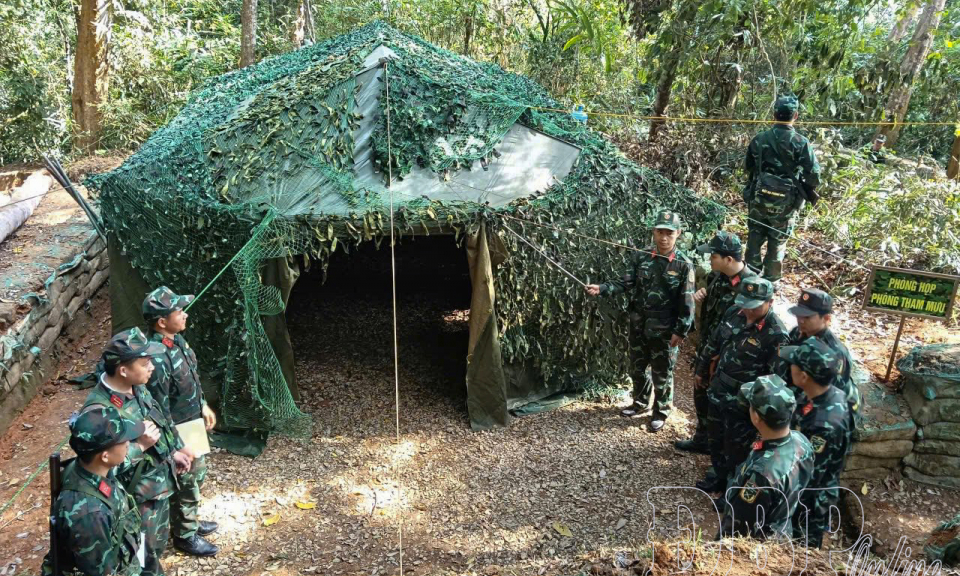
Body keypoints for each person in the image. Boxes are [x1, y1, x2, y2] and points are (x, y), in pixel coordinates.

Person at [83, 327, 194, 576]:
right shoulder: (99, 414)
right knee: (140, 557)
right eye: (145, 363)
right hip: (135, 500)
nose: (152, 366)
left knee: (154, 548)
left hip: (157, 488)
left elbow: (158, 421)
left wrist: (170, 453)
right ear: (123, 370)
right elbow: (97, 469)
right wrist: (140, 446)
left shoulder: (137, 387)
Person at [584, 209, 695, 432]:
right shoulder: (641, 256)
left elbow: (687, 303)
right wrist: (603, 288)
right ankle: (640, 402)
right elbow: (625, 282)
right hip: (639, 324)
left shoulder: (684, 265)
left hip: (665, 330)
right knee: (637, 368)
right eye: (659, 232)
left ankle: (661, 411)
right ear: (653, 232)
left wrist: (681, 331)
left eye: (669, 233)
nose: (664, 238)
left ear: (678, 234)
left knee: (662, 372)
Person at [143, 287, 219, 557]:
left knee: (197, 476)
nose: (185, 314)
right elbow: (157, 408)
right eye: (179, 311)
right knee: (185, 481)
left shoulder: (177, 341)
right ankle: (185, 536)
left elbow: (190, 379)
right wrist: (174, 445)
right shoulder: (156, 357)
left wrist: (203, 405)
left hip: (192, 421)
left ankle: (190, 522)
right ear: (162, 321)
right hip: (178, 430)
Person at [695, 277, 789, 492]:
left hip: (742, 403)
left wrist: (753, 408)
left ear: (770, 302)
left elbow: (775, 381)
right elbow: (714, 342)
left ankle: (733, 490)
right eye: (744, 303)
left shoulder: (776, 335)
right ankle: (718, 476)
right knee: (715, 439)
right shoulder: (734, 313)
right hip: (718, 389)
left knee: (737, 449)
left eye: (753, 306)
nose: (748, 310)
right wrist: (701, 371)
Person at [676, 231, 757, 455]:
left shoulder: (750, 287)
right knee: (700, 395)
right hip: (707, 349)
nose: (709, 259)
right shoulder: (716, 277)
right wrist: (703, 294)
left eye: (713, 256)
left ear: (728, 259)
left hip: (729, 359)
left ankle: (721, 454)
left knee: (724, 408)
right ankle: (703, 439)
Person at [41, 406, 144, 576]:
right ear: (104, 456)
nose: (128, 443)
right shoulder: (91, 514)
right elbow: (100, 571)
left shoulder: (88, 467)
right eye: (123, 440)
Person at [718, 375, 813, 541]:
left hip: (756, 548)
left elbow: (738, 530)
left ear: (756, 417)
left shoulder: (761, 476)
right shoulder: (801, 442)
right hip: (782, 531)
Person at [781, 338, 851, 548]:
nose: (788, 365)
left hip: (809, 502)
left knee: (802, 552)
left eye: (793, 363)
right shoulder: (819, 394)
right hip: (803, 492)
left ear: (804, 376)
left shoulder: (825, 425)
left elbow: (809, 473)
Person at [743, 95, 821, 282]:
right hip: (786, 203)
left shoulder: (759, 139)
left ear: (774, 114)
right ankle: (770, 283)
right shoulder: (801, 142)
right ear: (795, 115)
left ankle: (748, 278)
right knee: (777, 242)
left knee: (754, 238)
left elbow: (749, 168)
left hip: (759, 199)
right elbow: (814, 175)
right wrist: (804, 188)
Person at [782, 288, 861, 434]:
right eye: (798, 314)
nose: (800, 320)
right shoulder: (798, 333)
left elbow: (828, 393)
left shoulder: (834, 353)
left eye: (807, 317)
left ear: (826, 319)